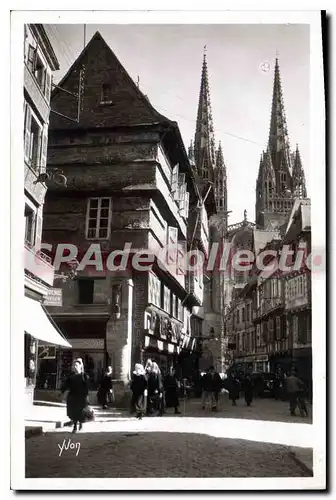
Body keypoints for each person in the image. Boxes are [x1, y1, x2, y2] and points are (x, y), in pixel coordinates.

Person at [61, 358, 89, 433]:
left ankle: (80, 424)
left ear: (80, 366)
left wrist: (86, 396)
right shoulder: (71, 376)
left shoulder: (84, 376)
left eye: (76, 365)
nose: (74, 366)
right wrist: (62, 391)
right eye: (74, 365)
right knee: (73, 412)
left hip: (81, 397)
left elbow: (87, 387)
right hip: (73, 396)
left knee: (80, 411)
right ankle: (75, 426)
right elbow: (66, 385)